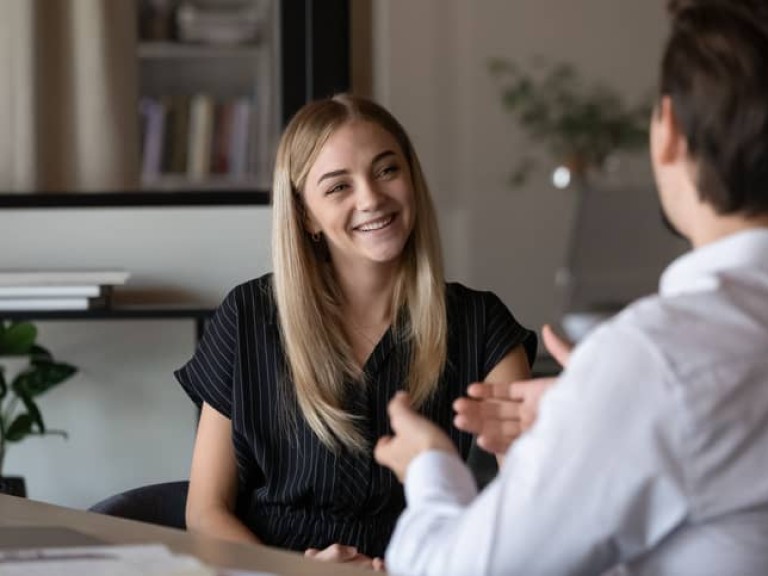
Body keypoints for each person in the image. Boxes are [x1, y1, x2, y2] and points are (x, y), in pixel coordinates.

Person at [374, 1, 768, 574]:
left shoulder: (657, 362)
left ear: (670, 133)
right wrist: (589, 415)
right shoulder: (657, 370)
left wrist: (431, 469)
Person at [175, 94, 536, 568]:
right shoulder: (249, 316)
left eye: (387, 170)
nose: (371, 198)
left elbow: (531, 508)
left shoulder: (481, 324)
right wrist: (296, 572)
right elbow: (205, 513)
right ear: (306, 215)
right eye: (338, 186)